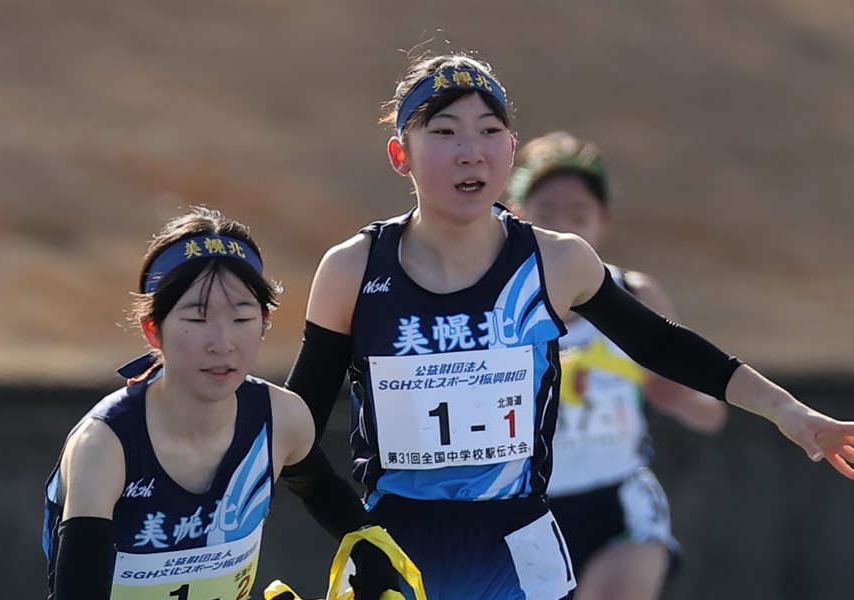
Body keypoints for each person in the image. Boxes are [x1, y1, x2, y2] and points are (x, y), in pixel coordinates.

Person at [284, 51, 854, 600]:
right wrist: (353, 531)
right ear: (399, 153)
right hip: (395, 552)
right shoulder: (353, 270)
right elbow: (292, 432)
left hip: (521, 551)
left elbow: (663, 345)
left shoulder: (558, 263)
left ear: (510, 149)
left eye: (489, 131)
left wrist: (790, 412)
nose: (470, 152)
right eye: (443, 132)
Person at [43, 207, 398, 600]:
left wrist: (370, 549)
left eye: (242, 319)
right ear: (152, 329)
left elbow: (322, 488)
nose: (222, 343)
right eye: (197, 319)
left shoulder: (282, 419)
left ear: (264, 322)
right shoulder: (105, 446)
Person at [507, 131, 728, 600]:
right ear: (515, 213)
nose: (564, 228)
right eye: (546, 213)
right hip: (520, 513)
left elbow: (711, 413)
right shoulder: (494, 306)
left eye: (579, 215)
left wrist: (678, 397)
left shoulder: (633, 295)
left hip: (617, 505)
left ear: (603, 222)